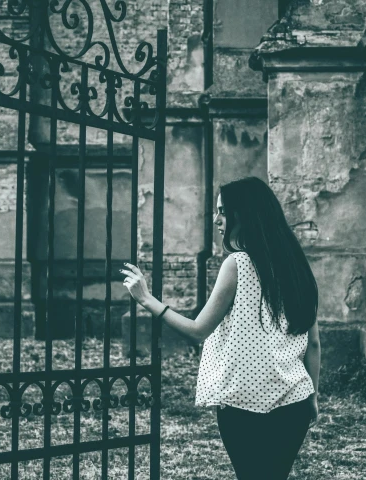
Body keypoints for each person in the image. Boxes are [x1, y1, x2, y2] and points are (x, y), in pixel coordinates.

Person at [120, 175, 321, 479]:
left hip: (242, 405)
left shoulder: (237, 264)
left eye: (224, 211)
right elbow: (314, 343)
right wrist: (313, 397)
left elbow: (199, 329)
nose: (216, 220)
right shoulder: (297, 266)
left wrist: (147, 300)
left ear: (247, 213)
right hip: (295, 402)